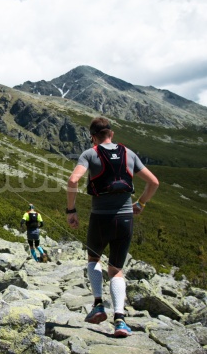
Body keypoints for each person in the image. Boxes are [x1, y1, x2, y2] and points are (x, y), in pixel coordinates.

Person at [66, 117, 159, 338]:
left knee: (94, 258)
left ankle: (98, 304)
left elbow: (73, 181)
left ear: (92, 137)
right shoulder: (129, 154)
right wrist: (141, 203)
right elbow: (154, 182)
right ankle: (120, 321)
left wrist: (71, 210)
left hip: (100, 218)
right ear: (112, 134)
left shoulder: (90, 154)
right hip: (125, 218)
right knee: (116, 269)